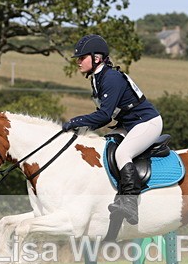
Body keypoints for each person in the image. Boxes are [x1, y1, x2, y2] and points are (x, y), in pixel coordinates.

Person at [61, 34, 163, 226]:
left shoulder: (111, 78)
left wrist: (76, 121)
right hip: (128, 124)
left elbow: (104, 115)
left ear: (96, 58)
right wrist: (80, 129)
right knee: (103, 146)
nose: (78, 62)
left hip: (147, 122)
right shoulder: (96, 78)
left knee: (123, 152)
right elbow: (103, 117)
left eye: (82, 58)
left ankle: (129, 203)